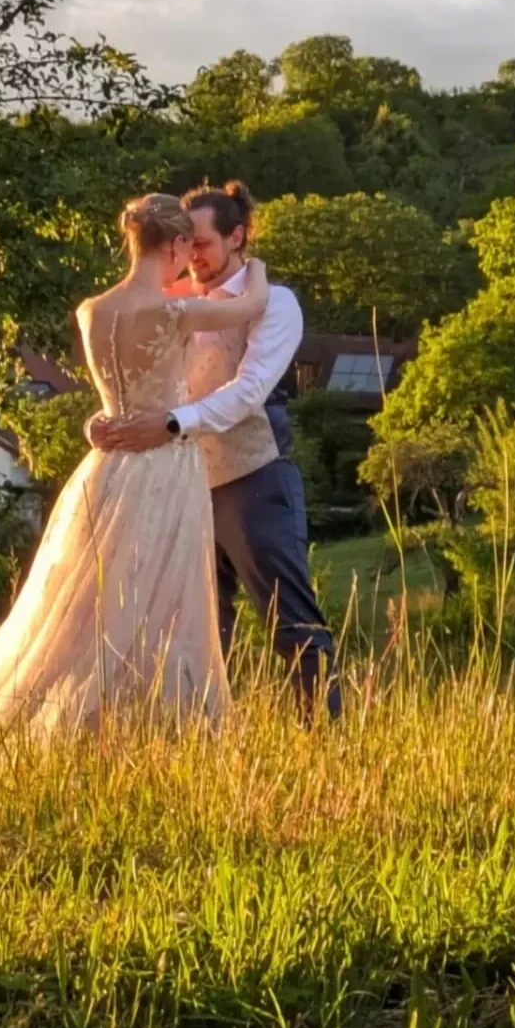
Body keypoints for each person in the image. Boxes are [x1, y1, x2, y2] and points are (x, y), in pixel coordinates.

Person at [0, 194, 269, 760]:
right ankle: (156, 728)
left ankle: (99, 722)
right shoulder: (175, 311)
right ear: (174, 245)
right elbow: (251, 306)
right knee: (165, 598)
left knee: (94, 601)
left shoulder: (91, 310)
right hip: (165, 465)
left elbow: (113, 395)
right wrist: (256, 263)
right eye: (184, 248)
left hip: (107, 467)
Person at [88, 182, 342, 725]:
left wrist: (173, 424)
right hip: (177, 486)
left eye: (201, 243)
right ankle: (201, 747)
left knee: (291, 622)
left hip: (254, 478)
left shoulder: (275, 302)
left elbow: (250, 390)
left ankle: (326, 741)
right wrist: (110, 421)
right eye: (186, 243)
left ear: (237, 237)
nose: (192, 255)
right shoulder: (173, 301)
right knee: (190, 631)